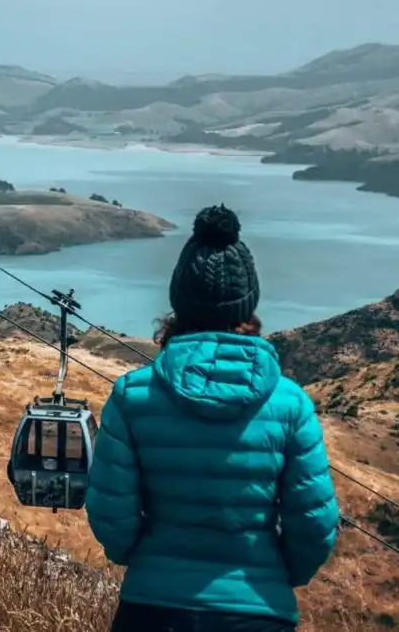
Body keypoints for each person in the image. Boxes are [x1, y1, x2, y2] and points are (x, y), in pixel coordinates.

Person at [85, 204, 340, 631]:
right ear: (248, 304)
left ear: (179, 302)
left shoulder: (133, 396)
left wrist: (147, 561)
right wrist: (280, 575)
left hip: (152, 611)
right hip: (260, 612)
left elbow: (111, 513)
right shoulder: (290, 403)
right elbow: (314, 523)